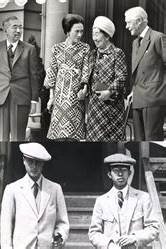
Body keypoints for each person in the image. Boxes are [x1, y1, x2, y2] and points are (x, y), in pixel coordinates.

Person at [0, 142, 69, 248]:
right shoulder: (12, 189)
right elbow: (5, 227)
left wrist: (60, 235)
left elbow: (63, 222)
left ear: (43, 163)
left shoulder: (55, 189)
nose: (34, 166)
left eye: (38, 162)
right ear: (23, 160)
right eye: (30, 161)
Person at [89, 153, 159, 248]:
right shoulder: (101, 201)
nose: (120, 174)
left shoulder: (143, 198)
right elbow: (94, 233)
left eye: (124, 170)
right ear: (109, 174)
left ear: (129, 173)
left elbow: (153, 228)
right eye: (116, 170)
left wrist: (135, 238)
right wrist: (109, 245)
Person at [0, 16, 38, 141]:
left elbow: (34, 75)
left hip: (21, 98)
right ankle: (2, 160)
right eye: (14, 27)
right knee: (2, 138)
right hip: (1, 97)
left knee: (18, 138)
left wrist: (34, 100)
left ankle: (16, 160)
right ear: (5, 30)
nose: (18, 30)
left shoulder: (29, 49)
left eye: (20, 27)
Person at [79, 16, 128, 141]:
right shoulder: (92, 54)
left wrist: (109, 91)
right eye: (93, 34)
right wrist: (85, 89)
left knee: (109, 142)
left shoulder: (117, 53)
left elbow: (122, 77)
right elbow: (87, 76)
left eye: (97, 34)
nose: (94, 38)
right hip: (94, 107)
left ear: (106, 36)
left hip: (111, 107)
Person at [44, 14, 90, 141]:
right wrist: (51, 97)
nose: (80, 34)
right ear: (68, 31)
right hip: (60, 98)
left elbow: (86, 69)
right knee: (59, 136)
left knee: (74, 136)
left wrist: (84, 89)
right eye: (77, 31)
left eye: (82, 31)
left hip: (76, 95)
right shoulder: (56, 49)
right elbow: (52, 73)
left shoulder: (85, 48)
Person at [124, 6, 166, 141]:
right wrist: (133, 90)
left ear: (139, 21)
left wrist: (160, 88)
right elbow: (138, 71)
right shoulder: (135, 42)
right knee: (139, 140)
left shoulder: (158, 37)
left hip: (153, 97)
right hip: (138, 96)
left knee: (152, 140)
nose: (126, 26)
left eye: (128, 22)